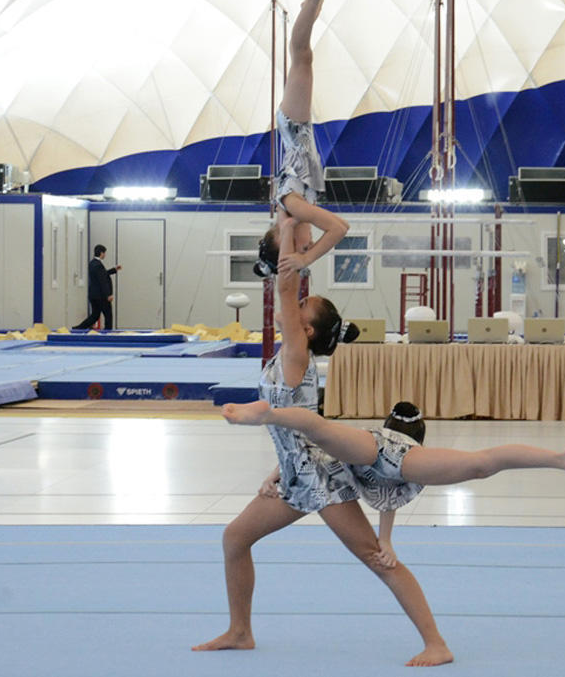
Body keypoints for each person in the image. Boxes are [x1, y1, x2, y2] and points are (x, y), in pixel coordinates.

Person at [193, 216, 454, 667]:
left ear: (306, 331)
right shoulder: (288, 354)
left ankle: (436, 643)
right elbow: (297, 426)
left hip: (323, 479)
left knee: (376, 557)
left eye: (303, 308)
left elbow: (285, 286)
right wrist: (277, 471)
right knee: (235, 538)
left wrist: (289, 222)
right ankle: (240, 631)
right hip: (296, 475)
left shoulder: (295, 352)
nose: (298, 306)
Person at [220, 398, 565, 568]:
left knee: (321, 429)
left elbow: (305, 450)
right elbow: (387, 493)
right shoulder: (401, 456)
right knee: (481, 465)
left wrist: (271, 475)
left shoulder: (387, 445)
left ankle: (270, 414)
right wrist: (271, 477)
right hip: (383, 457)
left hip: (376, 451)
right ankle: (560, 460)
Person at [254, 0, 349, 279]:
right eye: (309, 248)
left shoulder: (293, 207)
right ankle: (312, 5)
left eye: (304, 247)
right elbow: (338, 227)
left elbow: (338, 229)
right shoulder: (293, 209)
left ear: (287, 236)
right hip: (298, 131)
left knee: (301, 56)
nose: (310, 246)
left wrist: (305, 261)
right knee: (302, 58)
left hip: (293, 130)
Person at [73, 244, 121, 330]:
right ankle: (107, 333)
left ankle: (78, 328)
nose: (105, 255)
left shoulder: (92, 263)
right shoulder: (98, 265)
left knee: (95, 315)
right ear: (101, 253)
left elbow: (102, 274)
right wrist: (108, 294)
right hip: (101, 296)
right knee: (108, 315)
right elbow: (102, 281)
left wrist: (114, 269)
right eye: (104, 253)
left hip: (93, 295)